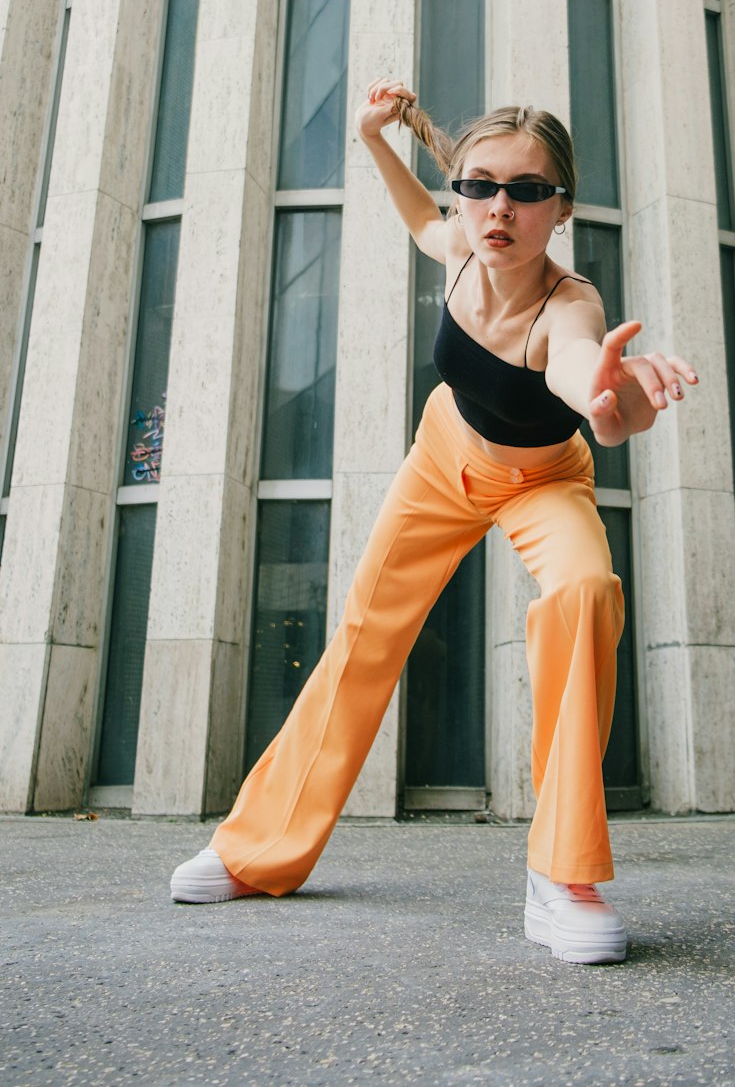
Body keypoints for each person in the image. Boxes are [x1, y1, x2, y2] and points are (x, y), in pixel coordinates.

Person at [170, 79, 697, 964]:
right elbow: (420, 216)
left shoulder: (571, 308)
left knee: (586, 592)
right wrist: (376, 138)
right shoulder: (458, 245)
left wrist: (620, 395)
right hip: (441, 457)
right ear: (465, 192)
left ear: (559, 208)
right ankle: (258, 849)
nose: (501, 209)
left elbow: (590, 397)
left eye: (527, 192)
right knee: (362, 638)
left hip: (540, 480)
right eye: (483, 185)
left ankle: (562, 872)